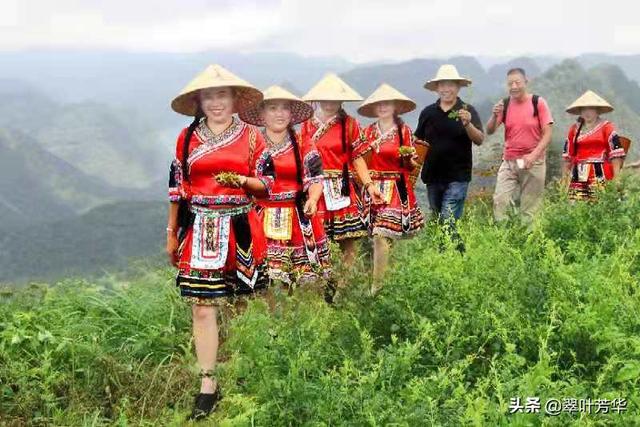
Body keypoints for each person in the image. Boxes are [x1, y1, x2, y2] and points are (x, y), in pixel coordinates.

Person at [166, 64, 274, 421]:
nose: (216, 103)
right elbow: (177, 190)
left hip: (241, 226)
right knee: (202, 306)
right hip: (199, 228)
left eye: (222, 95)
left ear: (235, 99)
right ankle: (208, 384)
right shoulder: (186, 138)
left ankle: (237, 365)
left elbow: (267, 184)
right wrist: (171, 233)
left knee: (239, 304)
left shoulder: (254, 137)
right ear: (199, 100)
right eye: (209, 96)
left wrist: (243, 180)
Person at [239, 85, 331, 285]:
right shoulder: (251, 144)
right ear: (262, 114)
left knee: (307, 282)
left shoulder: (302, 142)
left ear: (291, 113)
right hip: (261, 216)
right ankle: (272, 317)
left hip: (299, 216)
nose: (279, 114)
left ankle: (305, 316)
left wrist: (313, 199)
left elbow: (315, 178)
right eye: (273, 108)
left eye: (284, 108)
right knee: (267, 283)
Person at [301, 73, 384, 268]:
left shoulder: (349, 124)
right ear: (318, 99)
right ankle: (323, 285)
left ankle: (344, 286)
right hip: (315, 188)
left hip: (341, 188)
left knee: (347, 243)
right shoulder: (307, 125)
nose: (330, 103)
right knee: (316, 239)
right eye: (326, 99)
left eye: (335, 99)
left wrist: (370, 186)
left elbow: (357, 157)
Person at [358, 83, 424, 293]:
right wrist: (368, 184)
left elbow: (411, 165)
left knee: (381, 235)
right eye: (379, 104)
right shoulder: (367, 132)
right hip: (374, 188)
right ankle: (388, 282)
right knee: (382, 238)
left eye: (387, 103)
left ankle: (377, 287)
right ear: (375, 108)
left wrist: (409, 159)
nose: (383, 107)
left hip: (397, 188)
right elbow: (358, 159)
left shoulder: (404, 131)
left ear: (395, 107)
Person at [414, 64, 484, 226]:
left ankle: (450, 251)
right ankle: (455, 251)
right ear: (437, 88)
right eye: (442, 85)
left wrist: (467, 124)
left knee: (448, 219)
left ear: (458, 87)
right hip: (433, 176)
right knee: (438, 221)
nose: (446, 89)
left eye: (450, 84)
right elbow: (417, 140)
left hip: (458, 177)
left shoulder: (467, 111)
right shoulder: (428, 113)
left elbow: (479, 139)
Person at [486, 67, 553, 223]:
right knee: (500, 200)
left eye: (517, 82)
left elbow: (548, 133)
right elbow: (490, 130)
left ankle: (527, 243)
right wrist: (494, 115)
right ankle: (503, 238)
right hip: (509, 161)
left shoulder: (538, 103)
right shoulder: (505, 104)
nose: (514, 87)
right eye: (510, 84)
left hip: (533, 162)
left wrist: (533, 155)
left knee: (529, 209)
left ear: (526, 82)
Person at [562, 90, 625, 200]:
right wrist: (564, 181)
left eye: (591, 108)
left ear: (597, 111)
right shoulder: (574, 130)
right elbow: (568, 158)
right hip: (579, 173)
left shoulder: (607, 127)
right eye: (584, 109)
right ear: (580, 111)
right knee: (578, 210)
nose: (587, 112)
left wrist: (617, 179)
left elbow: (616, 156)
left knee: (600, 206)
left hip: (601, 172)